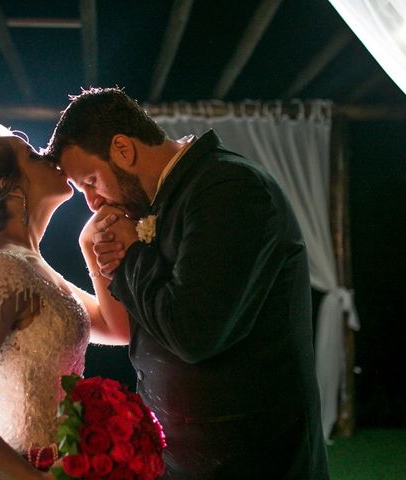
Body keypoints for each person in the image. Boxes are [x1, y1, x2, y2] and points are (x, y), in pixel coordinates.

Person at [45, 87, 330, 479]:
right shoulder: (163, 199)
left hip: (253, 458)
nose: (93, 202)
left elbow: (196, 332)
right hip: (186, 460)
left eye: (92, 181)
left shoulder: (230, 187)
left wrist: (132, 255)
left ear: (124, 149)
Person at [0, 121, 129, 480]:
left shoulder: (30, 265)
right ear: (10, 187)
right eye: (33, 156)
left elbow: (116, 328)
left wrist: (90, 249)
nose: (50, 157)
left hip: (65, 462)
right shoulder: (3, 270)